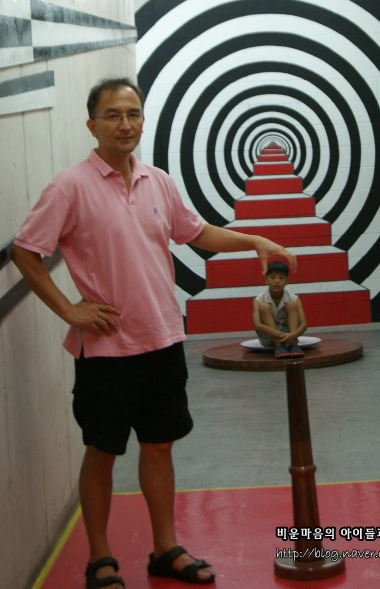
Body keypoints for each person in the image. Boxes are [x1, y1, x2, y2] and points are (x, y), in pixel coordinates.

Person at [10, 77, 297, 589]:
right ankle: (100, 559)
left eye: (133, 114)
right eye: (113, 115)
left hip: (163, 339)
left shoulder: (157, 181)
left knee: (160, 446)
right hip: (107, 350)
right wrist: (68, 310)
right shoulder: (69, 186)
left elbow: (196, 232)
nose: (125, 124)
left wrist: (255, 240)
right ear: (92, 125)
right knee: (102, 452)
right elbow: (25, 251)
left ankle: (166, 549)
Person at [253, 260, 307, 360]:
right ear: (266, 279)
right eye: (272, 277)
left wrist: (293, 335)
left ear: (287, 281)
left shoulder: (294, 298)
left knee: (291, 305)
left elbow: (304, 324)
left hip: (290, 337)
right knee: (264, 306)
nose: (277, 281)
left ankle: (294, 346)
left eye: (281, 278)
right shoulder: (258, 300)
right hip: (269, 338)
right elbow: (258, 325)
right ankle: (279, 346)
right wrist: (282, 336)